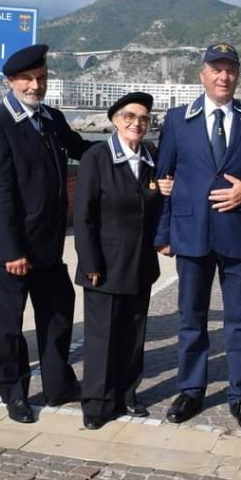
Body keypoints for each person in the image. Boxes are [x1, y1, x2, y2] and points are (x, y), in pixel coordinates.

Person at [154, 43, 241, 432]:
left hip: (238, 234)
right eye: (216, 69)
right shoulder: (178, 120)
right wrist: (163, 234)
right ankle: (191, 389)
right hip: (190, 234)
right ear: (203, 75)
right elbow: (163, 179)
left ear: (238, 76)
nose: (223, 76)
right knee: (191, 317)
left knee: (240, 320)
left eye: (230, 70)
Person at [0, 43, 93, 424]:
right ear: (10, 82)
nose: (35, 85)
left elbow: (82, 150)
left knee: (58, 314)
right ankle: (14, 393)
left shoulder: (51, 118)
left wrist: (126, 148)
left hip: (48, 247)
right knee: (9, 327)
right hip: (12, 250)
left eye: (40, 78)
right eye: (26, 79)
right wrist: (12, 250)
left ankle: (58, 385)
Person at [74, 92, 166, 430]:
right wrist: (90, 263)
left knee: (133, 334)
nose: (136, 123)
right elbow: (83, 216)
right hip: (105, 264)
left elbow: (156, 204)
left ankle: (127, 395)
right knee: (102, 337)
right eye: (129, 116)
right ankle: (96, 403)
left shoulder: (152, 158)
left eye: (143, 118)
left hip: (140, 262)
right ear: (114, 120)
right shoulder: (97, 158)